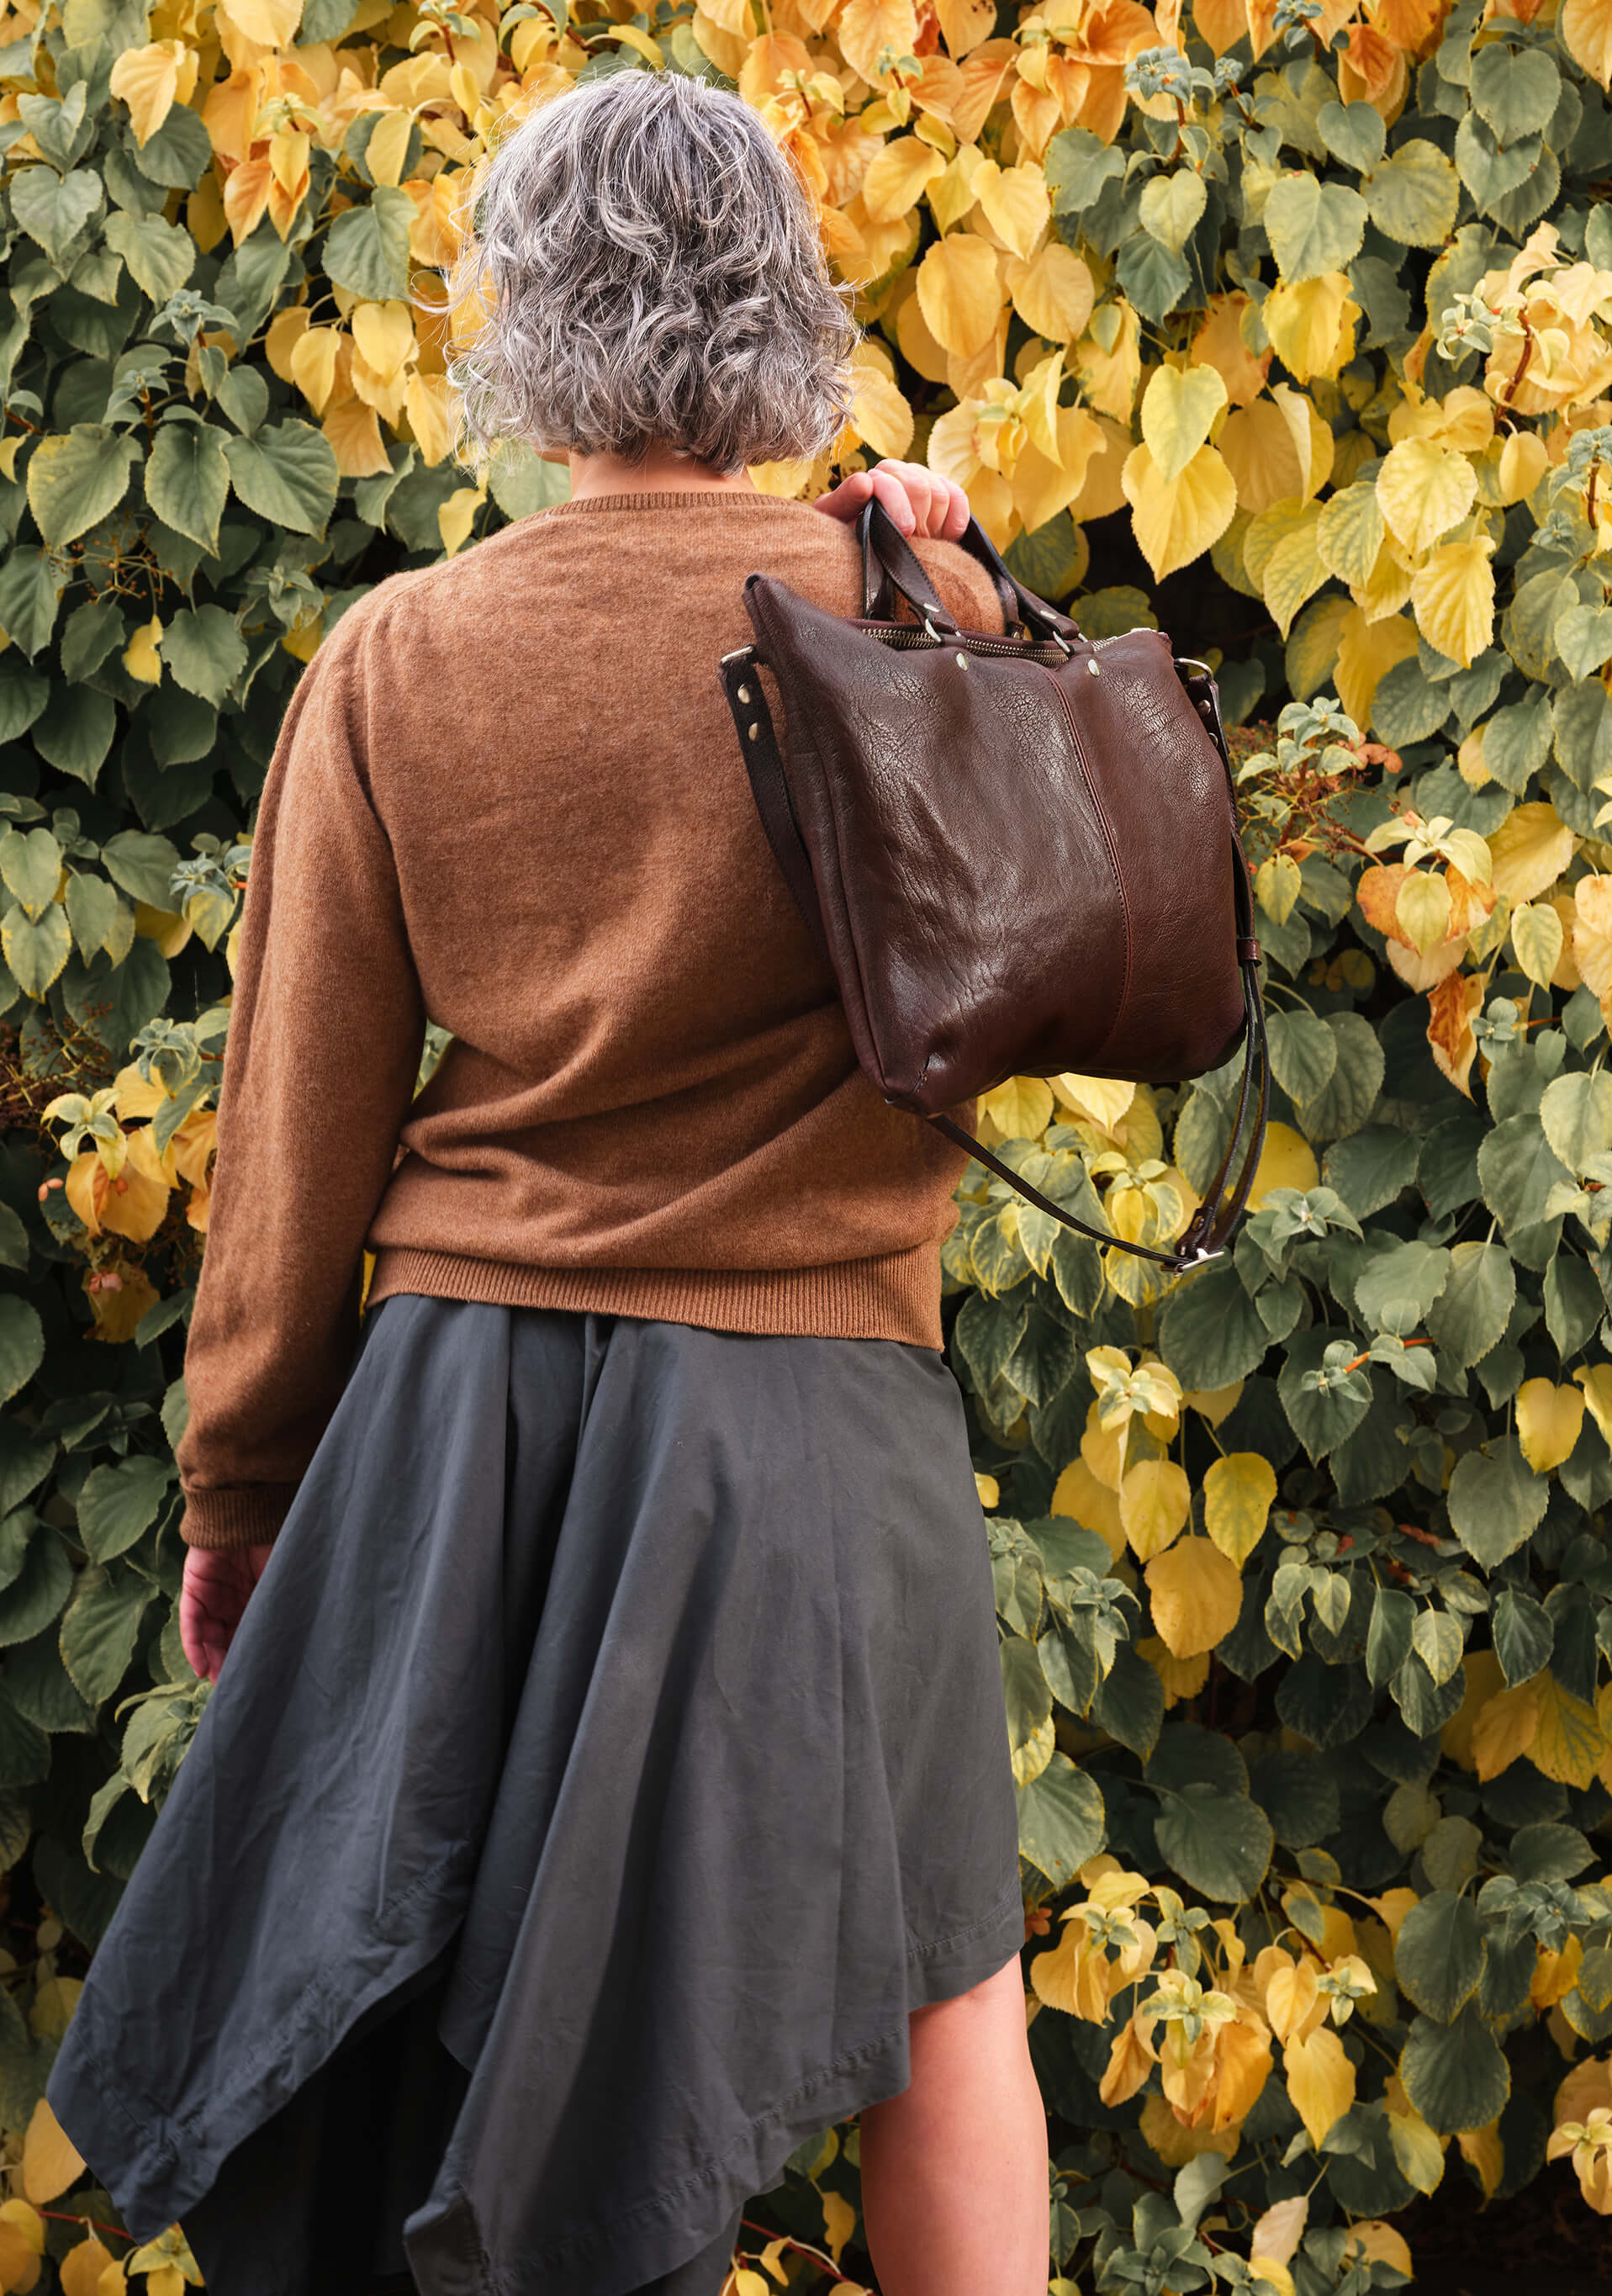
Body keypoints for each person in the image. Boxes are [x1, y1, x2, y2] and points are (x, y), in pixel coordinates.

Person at [45, 62, 1050, 2296]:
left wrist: (241, 1497)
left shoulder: (403, 655)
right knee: (939, 1981)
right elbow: (1090, 936)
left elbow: (288, 1136)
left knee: (443, 1993)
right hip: (819, 1417)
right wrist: (969, 591)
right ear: (782, 307)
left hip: (456, 1430)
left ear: (523, 318)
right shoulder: (898, 619)